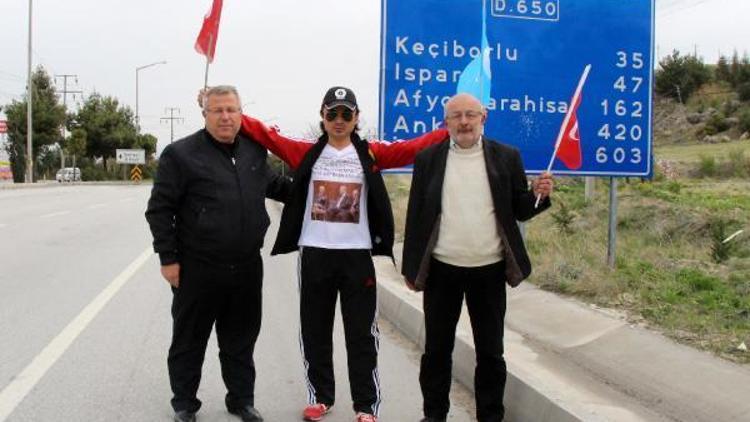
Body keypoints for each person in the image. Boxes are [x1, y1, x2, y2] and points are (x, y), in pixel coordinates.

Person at [236, 86, 449, 422]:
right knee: (315, 330)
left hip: (356, 257)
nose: (338, 120)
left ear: (356, 118)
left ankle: (366, 406)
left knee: (361, 334)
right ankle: (320, 397)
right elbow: (265, 135)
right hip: (315, 255)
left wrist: (451, 125)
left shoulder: (372, 154)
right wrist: (230, 112)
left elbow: (413, 148)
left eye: (346, 114)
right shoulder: (306, 153)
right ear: (322, 116)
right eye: (332, 113)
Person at [401, 93, 554, 422]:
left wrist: (538, 195)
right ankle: (434, 415)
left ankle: (490, 415)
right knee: (437, 352)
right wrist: (412, 268)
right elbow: (417, 216)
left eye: (471, 114)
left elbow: (520, 211)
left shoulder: (506, 157)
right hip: (443, 270)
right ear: (446, 123)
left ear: (484, 118)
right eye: (456, 116)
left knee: (491, 353)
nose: (464, 122)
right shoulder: (428, 159)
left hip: (489, 270)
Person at [145, 85, 290, 422]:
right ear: (205, 114)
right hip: (198, 267)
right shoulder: (180, 155)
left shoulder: (255, 153)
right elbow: (159, 210)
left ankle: (241, 400)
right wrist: (168, 259)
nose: (225, 117)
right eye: (218, 110)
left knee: (241, 339)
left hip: (246, 267)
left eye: (232, 110)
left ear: (242, 114)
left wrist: (320, 187)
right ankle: (184, 403)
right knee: (189, 340)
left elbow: (278, 188)